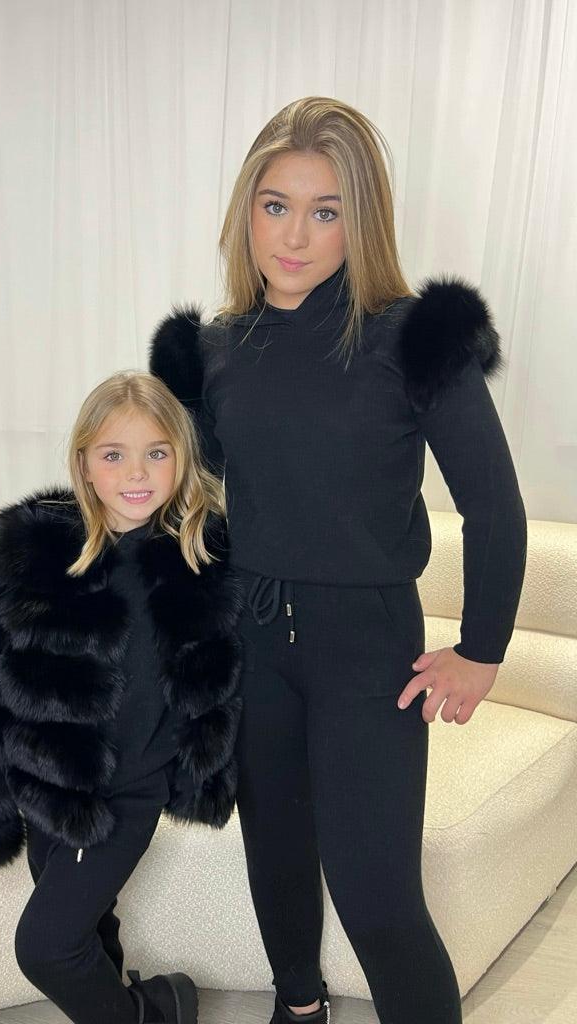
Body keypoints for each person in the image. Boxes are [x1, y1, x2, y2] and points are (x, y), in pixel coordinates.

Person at [149, 96, 527, 1024]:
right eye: (276, 205)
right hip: (252, 644)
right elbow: (182, 506)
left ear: (363, 221)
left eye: (326, 211)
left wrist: (482, 650)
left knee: (377, 897)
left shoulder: (417, 337)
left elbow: (493, 505)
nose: (295, 235)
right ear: (246, 210)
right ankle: (299, 1009)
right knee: (275, 859)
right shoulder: (208, 351)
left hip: (368, 648)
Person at [0, 370, 245, 1024]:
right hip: (46, 783)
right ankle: (159, 1002)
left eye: (156, 452)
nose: (136, 472)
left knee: (45, 946)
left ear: (182, 459)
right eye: (113, 454)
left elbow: (232, 675)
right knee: (88, 924)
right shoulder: (30, 551)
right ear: (84, 463)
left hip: (132, 790)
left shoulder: (205, 559)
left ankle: (147, 1013)